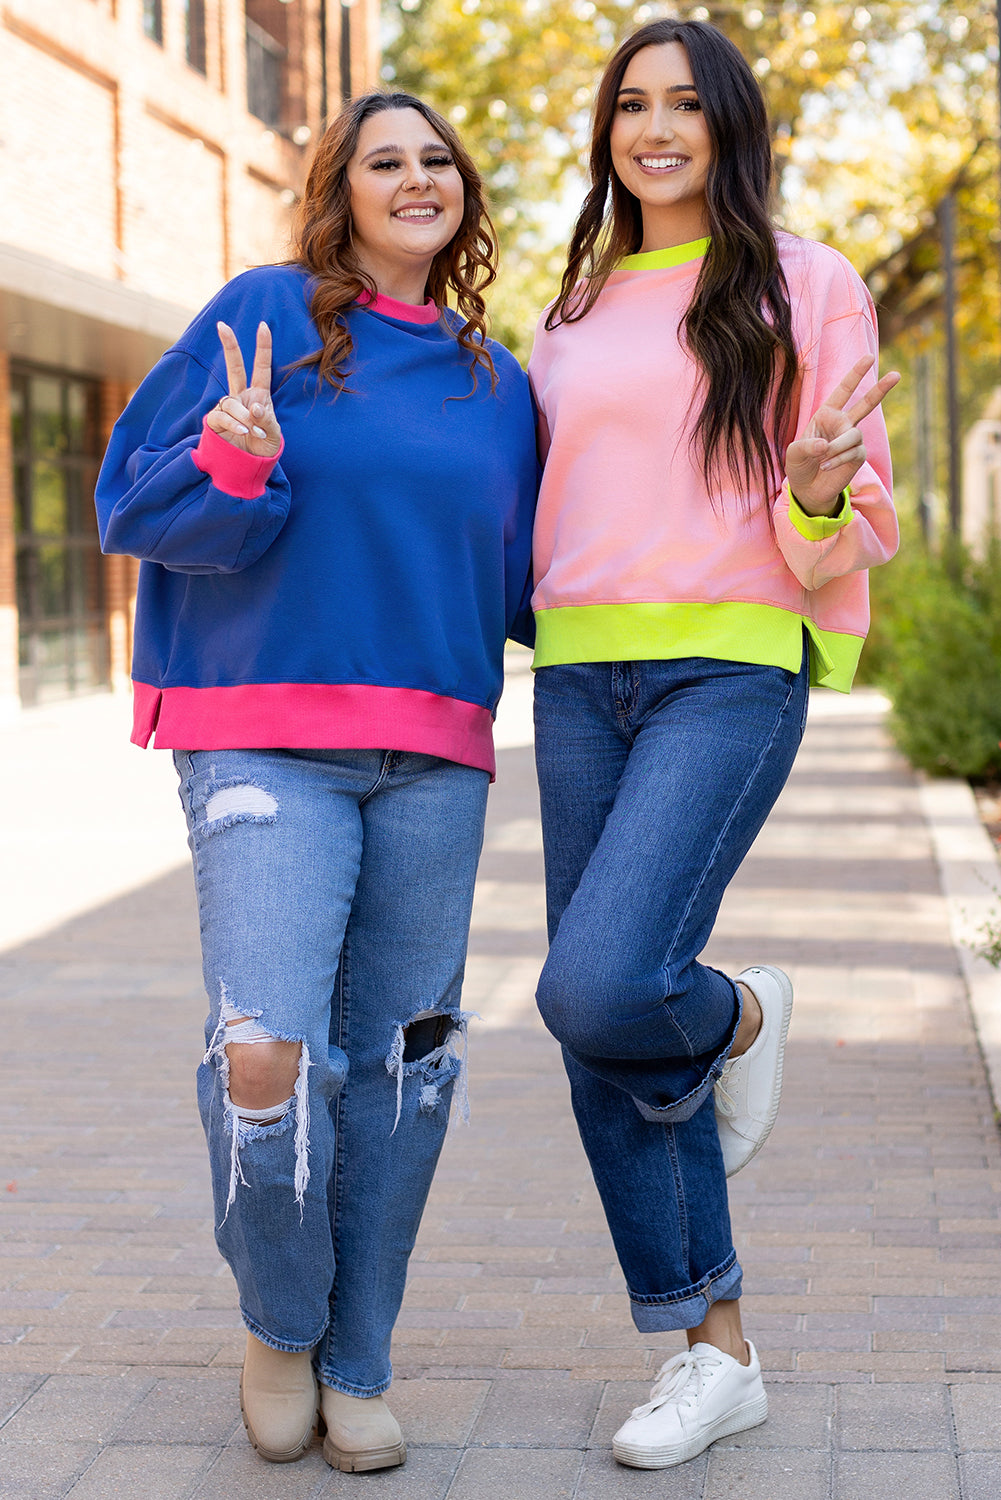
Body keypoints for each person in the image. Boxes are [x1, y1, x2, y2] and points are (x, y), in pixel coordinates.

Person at [95, 92, 536, 1472]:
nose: (415, 179)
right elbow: (129, 502)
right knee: (268, 1051)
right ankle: (282, 1324)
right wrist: (235, 454)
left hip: (435, 754)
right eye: (382, 161)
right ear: (339, 192)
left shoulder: (498, 382)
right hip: (260, 737)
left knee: (404, 1068)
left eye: (436, 160)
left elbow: (539, 582)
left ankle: (359, 1357)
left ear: (464, 193)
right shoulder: (264, 315)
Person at [527, 18, 898, 1470]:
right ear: (607, 131)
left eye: (686, 103)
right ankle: (712, 1350)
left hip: (729, 669)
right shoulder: (570, 306)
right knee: (601, 1023)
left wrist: (811, 488)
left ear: (729, 125)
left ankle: (733, 1010)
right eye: (632, 104)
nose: (656, 127)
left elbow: (855, 520)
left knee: (600, 982)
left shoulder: (808, 282)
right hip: (577, 677)